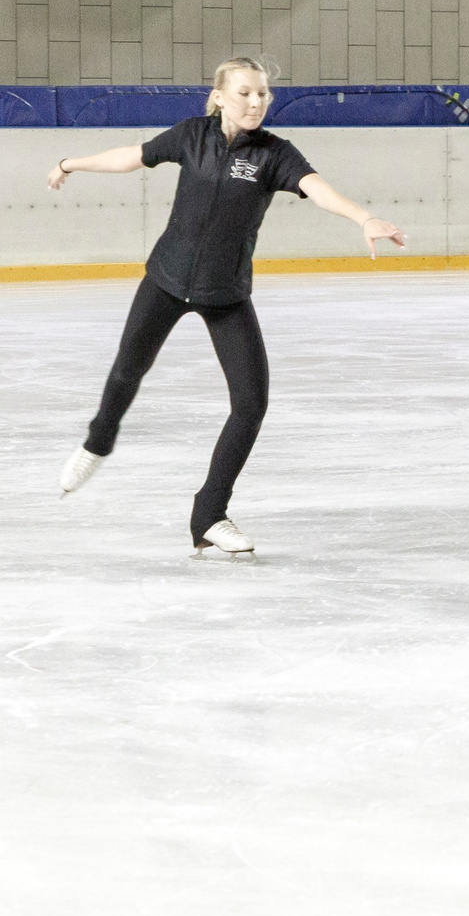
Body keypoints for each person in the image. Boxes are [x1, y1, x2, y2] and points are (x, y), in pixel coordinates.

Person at [50, 57, 407, 556]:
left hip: (226, 294)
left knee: (251, 401)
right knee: (127, 371)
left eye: (263, 93)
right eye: (244, 93)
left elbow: (316, 188)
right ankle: (98, 441)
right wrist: (71, 163)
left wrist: (363, 217)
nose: (256, 101)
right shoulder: (192, 135)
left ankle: (209, 514)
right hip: (167, 279)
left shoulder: (274, 154)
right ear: (220, 96)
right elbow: (132, 156)